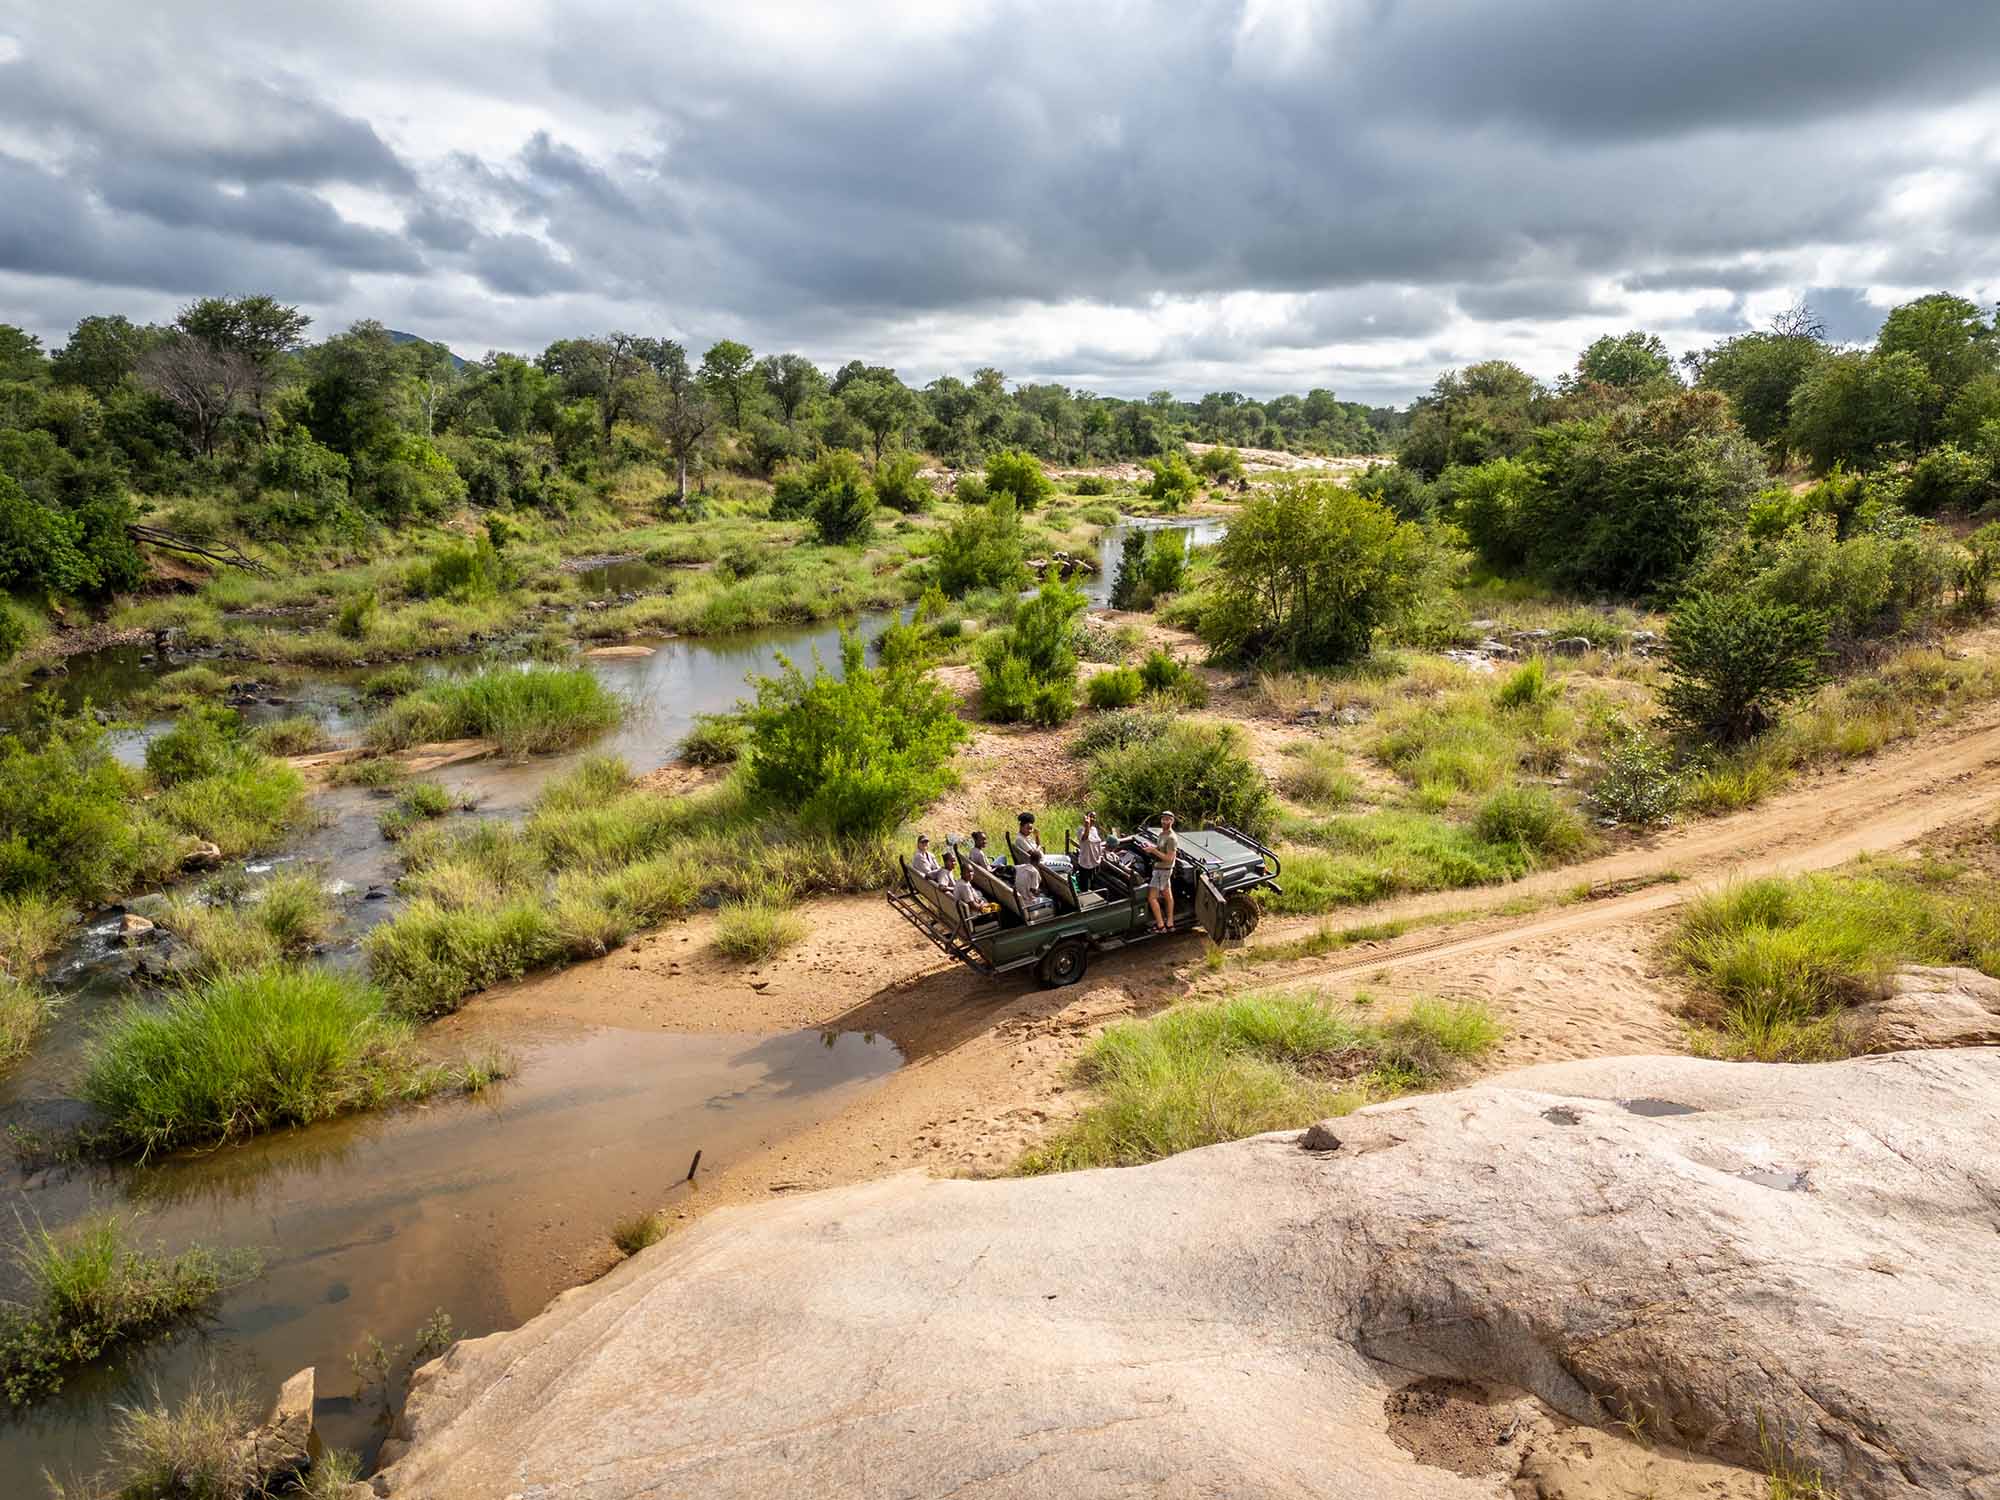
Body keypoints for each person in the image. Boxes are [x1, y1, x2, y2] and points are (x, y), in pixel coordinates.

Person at [1139, 811, 1179, 932]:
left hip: (1164, 870)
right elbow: (1161, 849)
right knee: (1168, 895)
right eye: (1163, 819)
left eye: (1167, 819)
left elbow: (1169, 858)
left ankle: (1161, 925)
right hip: (1159, 869)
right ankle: (1170, 924)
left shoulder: (1172, 838)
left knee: (1152, 898)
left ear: (1172, 821)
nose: (1164, 821)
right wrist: (1150, 848)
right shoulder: (1162, 834)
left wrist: (1153, 851)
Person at [1073, 811, 1107, 893]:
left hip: (1095, 861)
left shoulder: (1094, 829)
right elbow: (1085, 837)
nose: (1093, 819)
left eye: (1094, 817)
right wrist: (1087, 825)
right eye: (1091, 817)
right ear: (1086, 818)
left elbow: (1097, 843)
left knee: (1094, 884)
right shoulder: (1080, 829)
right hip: (1085, 863)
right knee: (1084, 888)